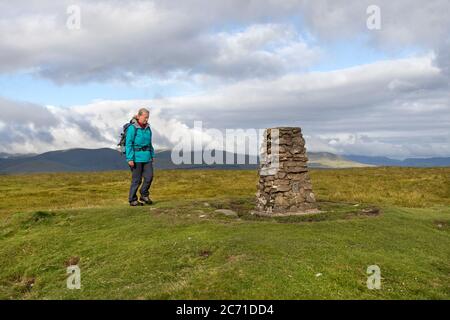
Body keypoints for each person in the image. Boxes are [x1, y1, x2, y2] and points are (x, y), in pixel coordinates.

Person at [126, 108, 155, 206]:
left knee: (149, 177)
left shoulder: (148, 128)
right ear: (138, 116)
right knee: (137, 180)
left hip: (147, 157)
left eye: (148, 118)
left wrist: (152, 154)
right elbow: (128, 143)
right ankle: (132, 200)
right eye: (145, 117)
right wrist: (129, 158)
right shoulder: (132, 128)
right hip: (136, 158)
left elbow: (149, 143)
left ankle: (144, 194)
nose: (146, 119)